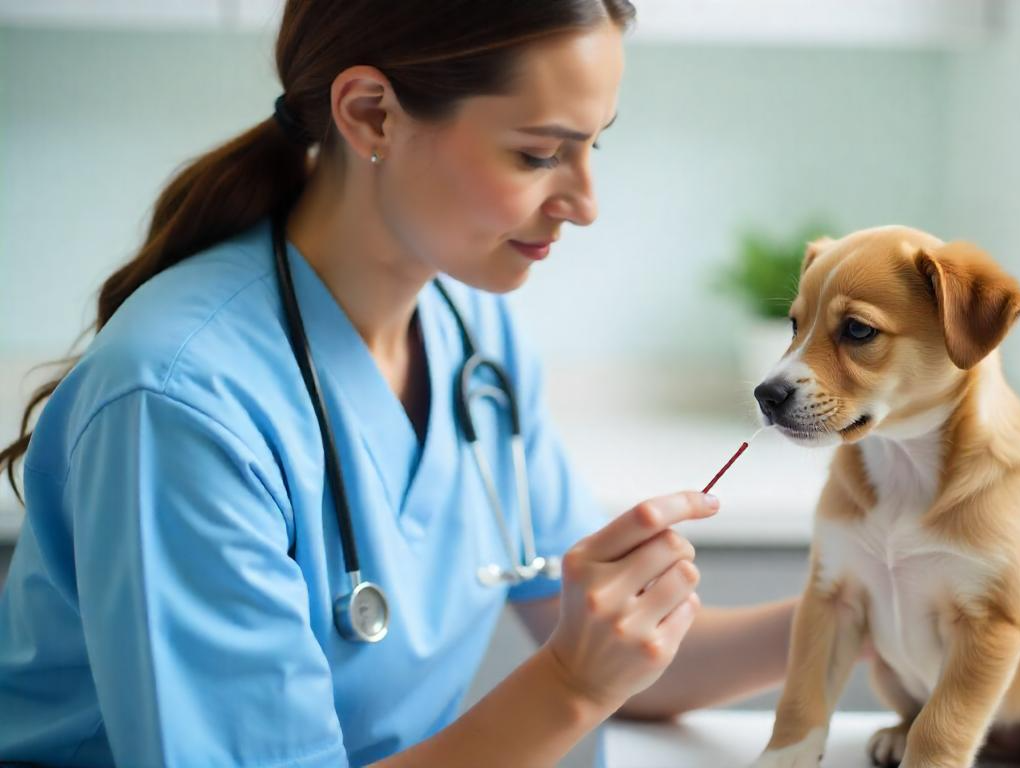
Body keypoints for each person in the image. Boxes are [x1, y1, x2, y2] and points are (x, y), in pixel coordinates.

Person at [0, 2, 796, 765]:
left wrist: (863, 619)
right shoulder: (180, 407)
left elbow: (627, 654)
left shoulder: (471, 337)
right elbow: (588, 668)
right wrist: (571, 686)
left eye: (595, 145)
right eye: (538, 154)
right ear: (373, 114)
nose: (586, 204)